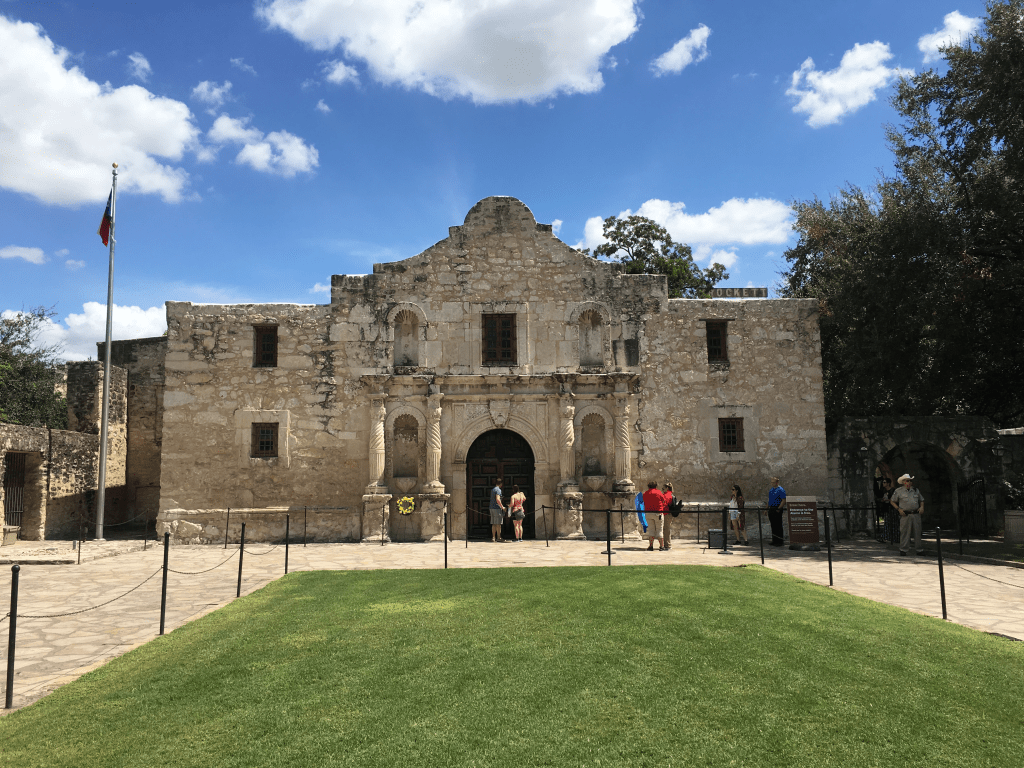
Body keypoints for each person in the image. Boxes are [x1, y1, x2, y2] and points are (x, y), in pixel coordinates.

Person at [891, 473, 925, 556]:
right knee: (905, 532)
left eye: (910, 481)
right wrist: (899, 509)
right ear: (903, 482)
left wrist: (922, 507)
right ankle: (903, 549)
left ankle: (919, 549)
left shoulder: (915, 490)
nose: (909, 482)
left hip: (915, 514)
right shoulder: (898, 491)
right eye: (907, 481)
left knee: (917, 532)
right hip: (905, 514)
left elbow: (921, 500)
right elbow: (892, 501)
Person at [643, 481, 667, 551]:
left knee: (651, 530)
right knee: (659, 530)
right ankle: (661, 546)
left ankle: (651, 546)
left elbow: (644, 502)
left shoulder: (645, 493)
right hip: (658, 513)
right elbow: (664, 501)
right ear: (656, 486)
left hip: (648, 513)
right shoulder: (659, 492)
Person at [880, 477, 900, 545]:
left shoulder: (893, 490)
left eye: (884, 482)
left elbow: (895, 500)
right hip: (887, 509)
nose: (883, 483)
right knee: (887, 523)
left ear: (888, 483)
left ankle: (895, 538)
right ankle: (886, 537)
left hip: (892, 509)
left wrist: (887, 500)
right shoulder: (884, 491)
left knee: (894, 523)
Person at [768, 477, 787, 546]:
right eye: (771, 482)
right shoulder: (771, 490)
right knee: (773, 525)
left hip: (777, 508)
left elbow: (783, 500)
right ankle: (774, 540)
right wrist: (767, 508)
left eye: (773, 482)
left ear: (777, 482)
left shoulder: (781, 490)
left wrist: (779, 508)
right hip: (771, 508)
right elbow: (769, 500)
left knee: (778, 525)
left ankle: (779, 541)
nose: (772, 483)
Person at [489, 478, 506, 542]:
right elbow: (498, 499)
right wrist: (502, 507)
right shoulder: (498, 490)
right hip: (497, 508)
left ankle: (493, 537)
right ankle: (499, 537)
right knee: (498, 524)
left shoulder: (493, 489)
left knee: (493, 523)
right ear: (501, 483)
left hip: (491, 507)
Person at [662, 483, 674, 550]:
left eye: (663, 488)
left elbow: (664, 504)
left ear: (667, 488)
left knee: (666, 529)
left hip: (666, 513)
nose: (662, 489)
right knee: (667, 529)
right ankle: (666, 544)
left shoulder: (666, 495)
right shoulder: (670, 494)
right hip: (669, 514)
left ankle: (667, 545)